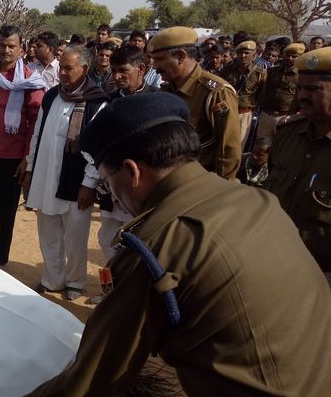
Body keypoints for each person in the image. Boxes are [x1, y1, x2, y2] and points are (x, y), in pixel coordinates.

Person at [31, 92, 331, 397]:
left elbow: (90, 381)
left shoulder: (155, 247)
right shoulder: (259, 202)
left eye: (107, 182)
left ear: (133, 171)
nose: (112, 195)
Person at [22, 45, 108, 300]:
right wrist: (30, 167)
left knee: (74, 236)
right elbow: (37, 135)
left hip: (75, 181)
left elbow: (98, 148)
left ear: (84, 69)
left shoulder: (97, 102)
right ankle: (52, 279)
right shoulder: (51, 96)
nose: (63, 73)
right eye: (62, 67)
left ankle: (75, 281)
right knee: (48, 232)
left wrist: (89, 183)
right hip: (46, 176)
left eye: (69, 68)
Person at [0, 25, 45, 265]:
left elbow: (35, 121)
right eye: (2, 45)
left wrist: (28, 156)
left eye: (12, 46)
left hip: (13, 158)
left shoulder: (32, 81)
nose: (6, 50)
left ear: (22, 49)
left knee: (7, 212)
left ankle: (0, 259)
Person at [265, 46, 331, 284]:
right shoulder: (287, 133)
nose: (302, 96)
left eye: (313, 89)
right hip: (276, 258)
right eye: (300, 87)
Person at [150, 26, 241, 180]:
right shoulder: (166, 90)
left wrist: (221, 188)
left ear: (180, 56)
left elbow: (228, 148)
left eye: (159, 59)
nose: (154, 66)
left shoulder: (216, 92)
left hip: (200, 184)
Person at [219, 40, 267, 148]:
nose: (243, 56)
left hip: (244, 113)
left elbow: (261, 95)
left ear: (254, 53)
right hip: (227, 112)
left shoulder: (260, 73)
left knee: (237, 147)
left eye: (246, 53)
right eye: (240, 53)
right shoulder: (227, 70)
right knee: (222, 144)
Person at [256, 42, 304, 141]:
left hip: (285, 117)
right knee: (261, 147)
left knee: (280, 148)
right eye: (287, 55)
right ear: (283, 55)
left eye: (294, 56)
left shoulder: (301, 76)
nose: (289, 58)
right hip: (266, 115)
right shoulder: (271, 71)